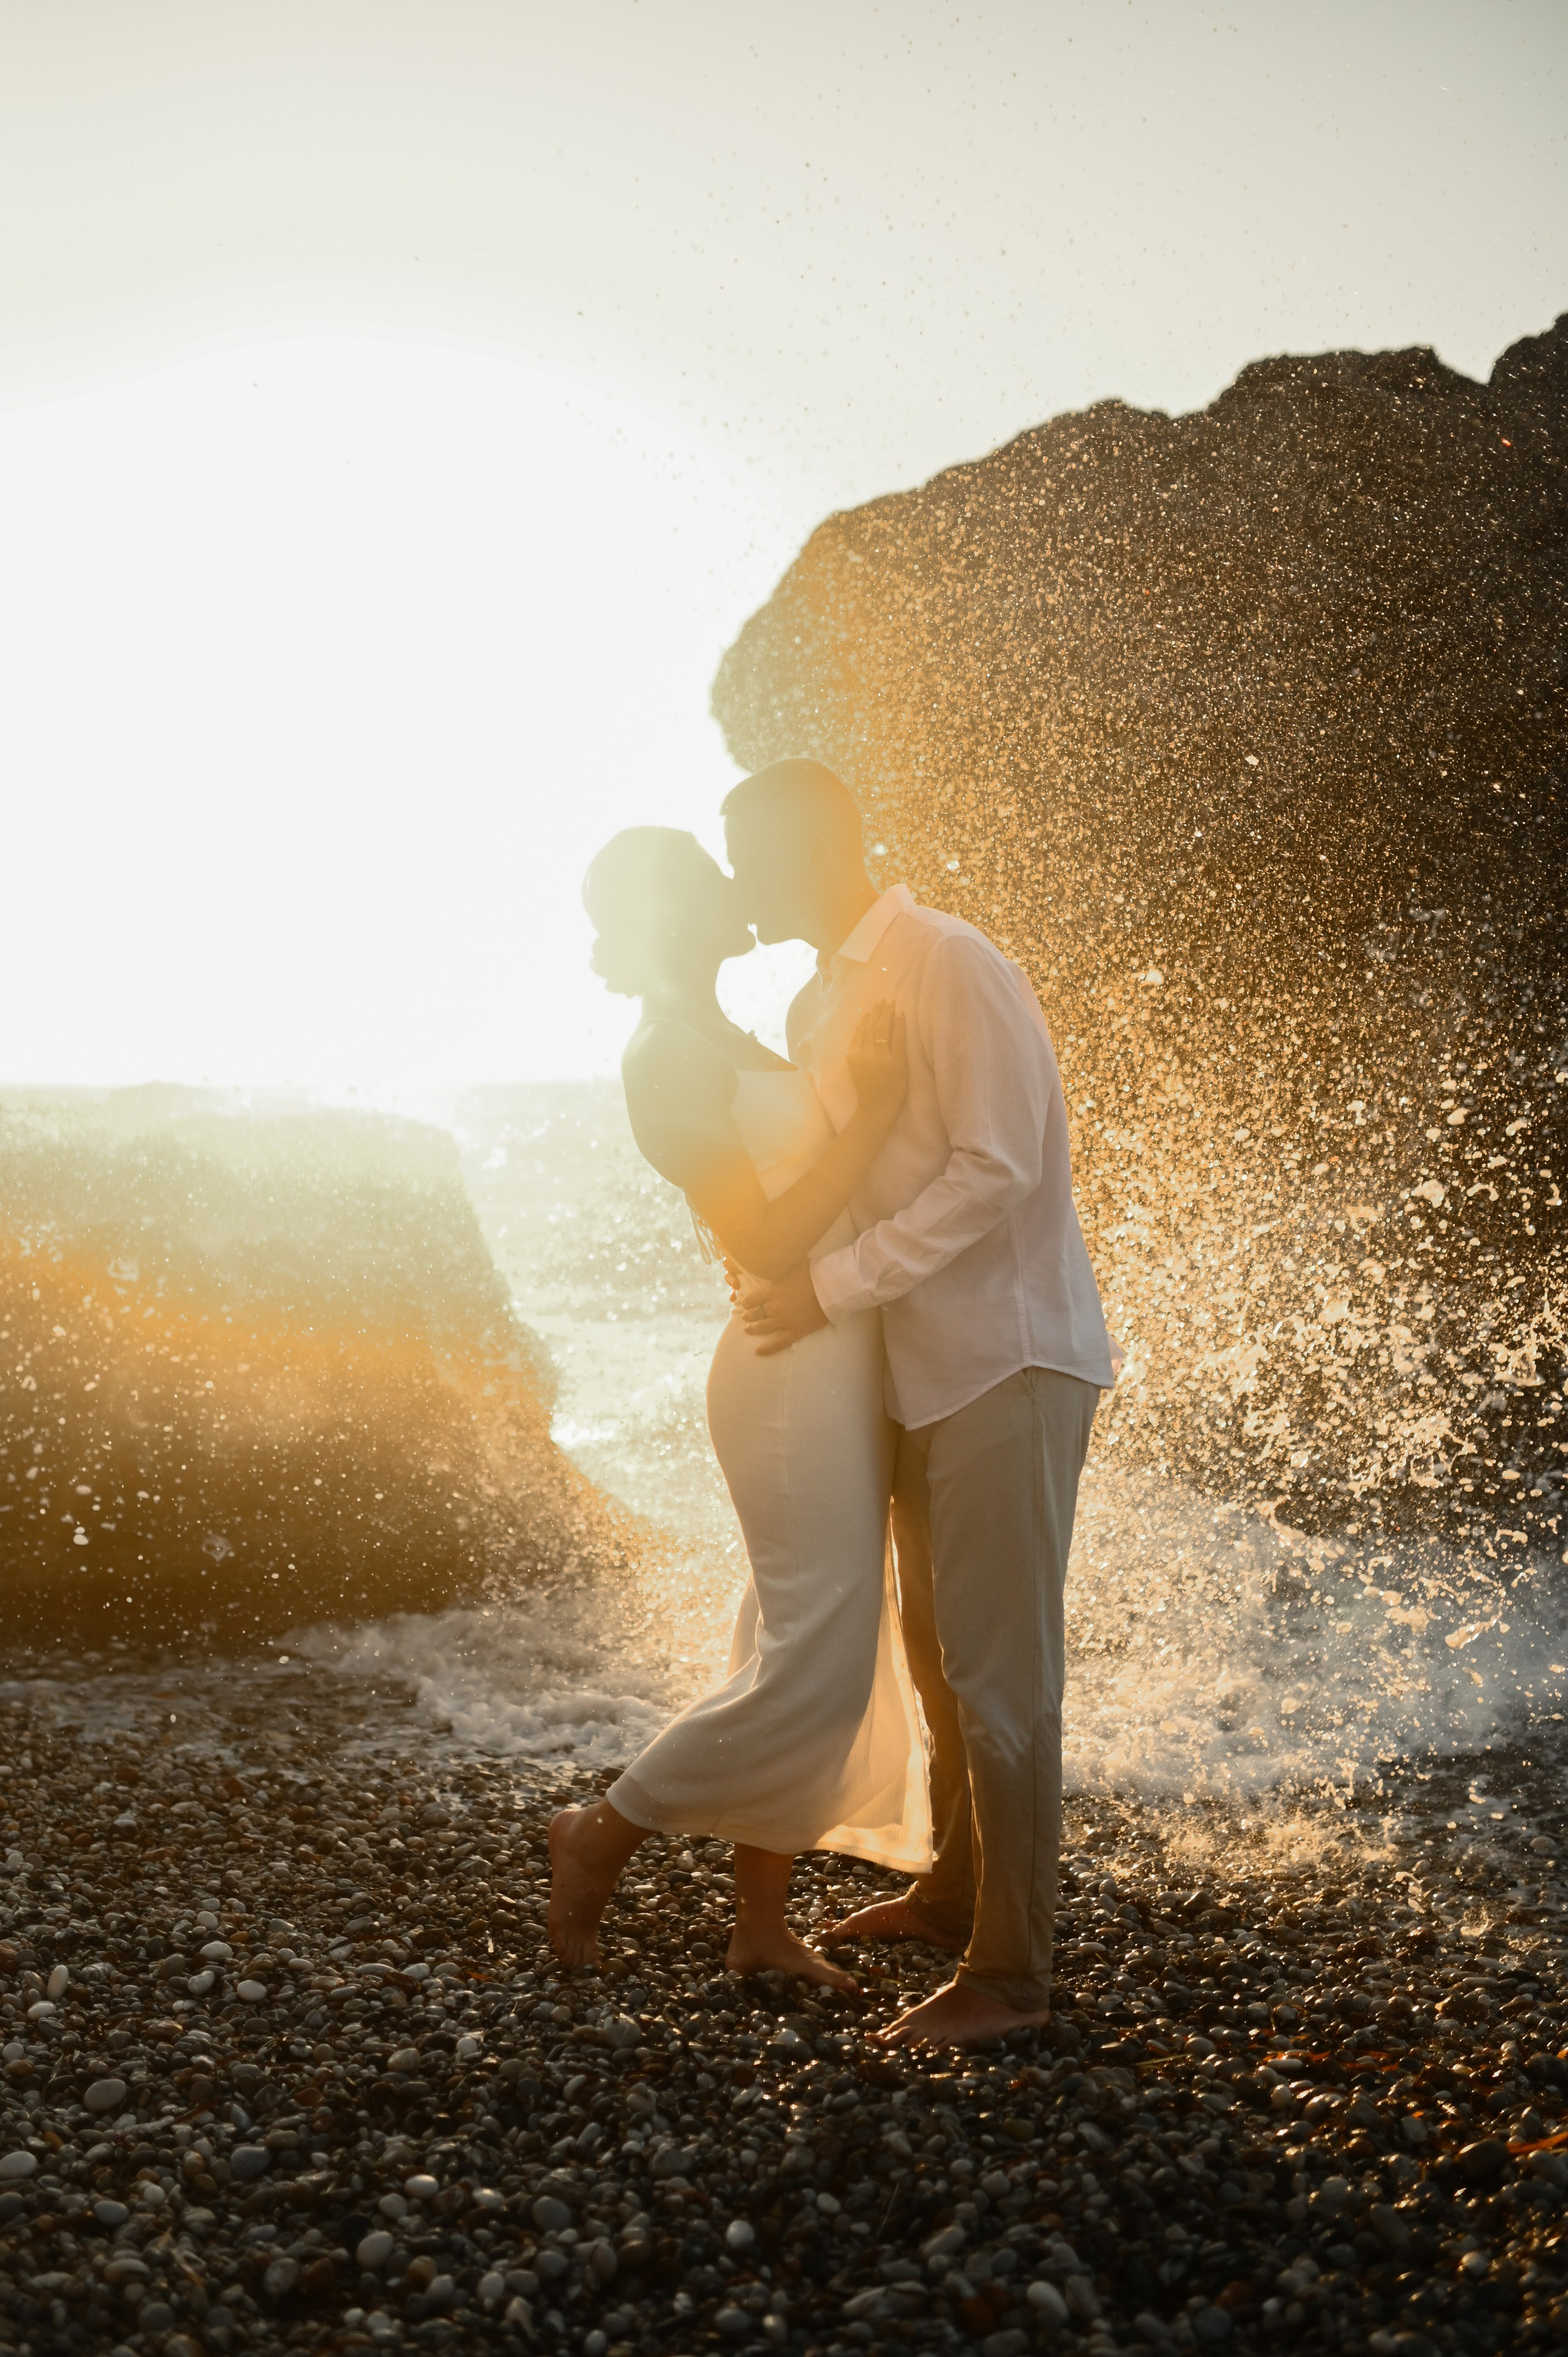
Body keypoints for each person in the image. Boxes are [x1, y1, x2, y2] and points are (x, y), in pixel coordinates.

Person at [723, 758, 1115, 2050]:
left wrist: (829, 1283)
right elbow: (846, 1172)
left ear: (817, 846)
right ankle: (950, 1893)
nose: (736, 879)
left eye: (749, 851)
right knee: (939, 1656)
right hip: (909, 1369)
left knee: (1003, 1676)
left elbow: (995, 1164)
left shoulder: (946, 959)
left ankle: (1013, 1977)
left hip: (1005, 1356)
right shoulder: (813, 997)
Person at [546, 824, 932, 1986]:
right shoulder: (662, 1051)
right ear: (671, 913)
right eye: (713, 881)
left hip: (836, 1354)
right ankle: (600, 1832)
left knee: (807, 1635)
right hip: (783, 1369)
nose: (739, 887)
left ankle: (760, 1925)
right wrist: (867, 1112)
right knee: (814, 1656)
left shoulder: (727, 1031)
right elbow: (761, 1238)